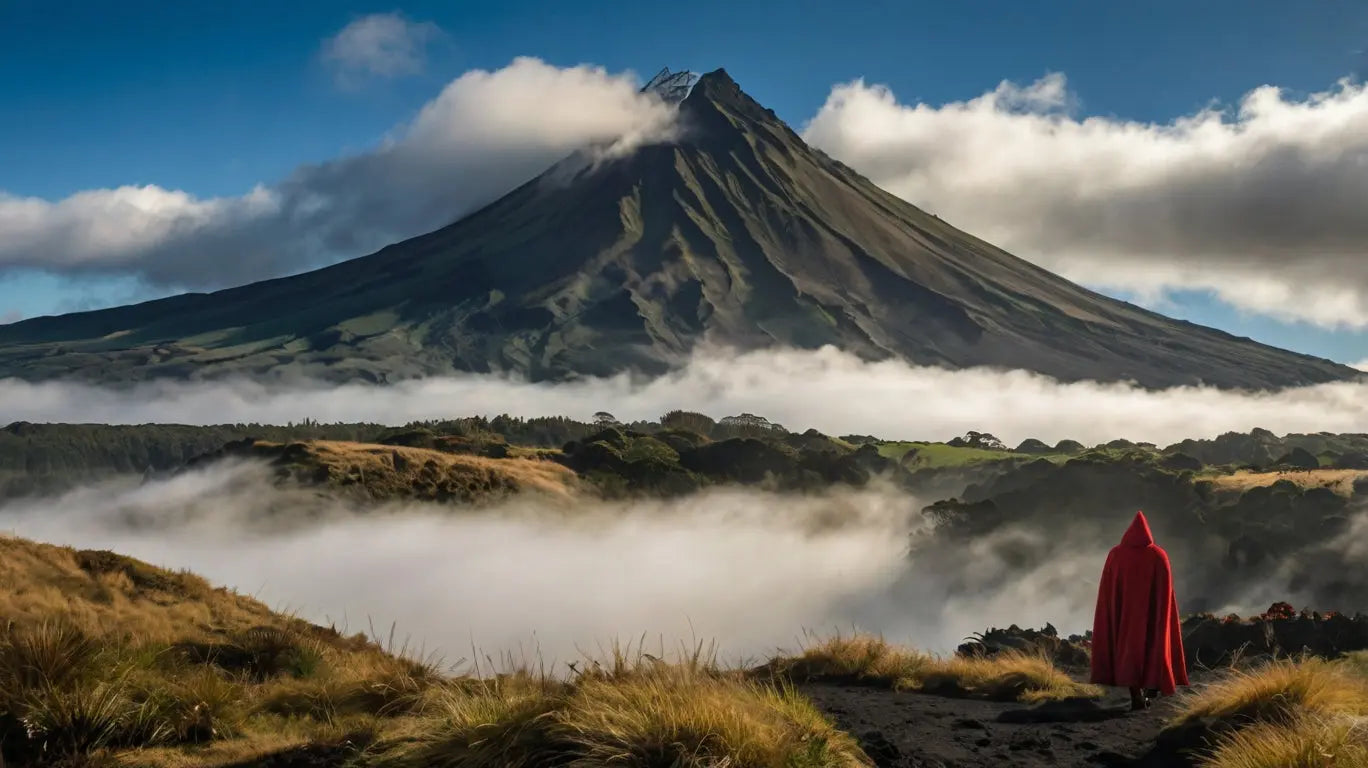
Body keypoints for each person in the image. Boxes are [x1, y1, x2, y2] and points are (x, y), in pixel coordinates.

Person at [1089, 510, 1189, 711]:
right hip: (1151, 617)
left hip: (1124, 615)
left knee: (1128, 650)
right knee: (1152, 646)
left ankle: (1136, 694)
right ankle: (1145, 691)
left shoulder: (1115, 555)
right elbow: (1165, 594)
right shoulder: (1158, 555)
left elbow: (1108, 590)